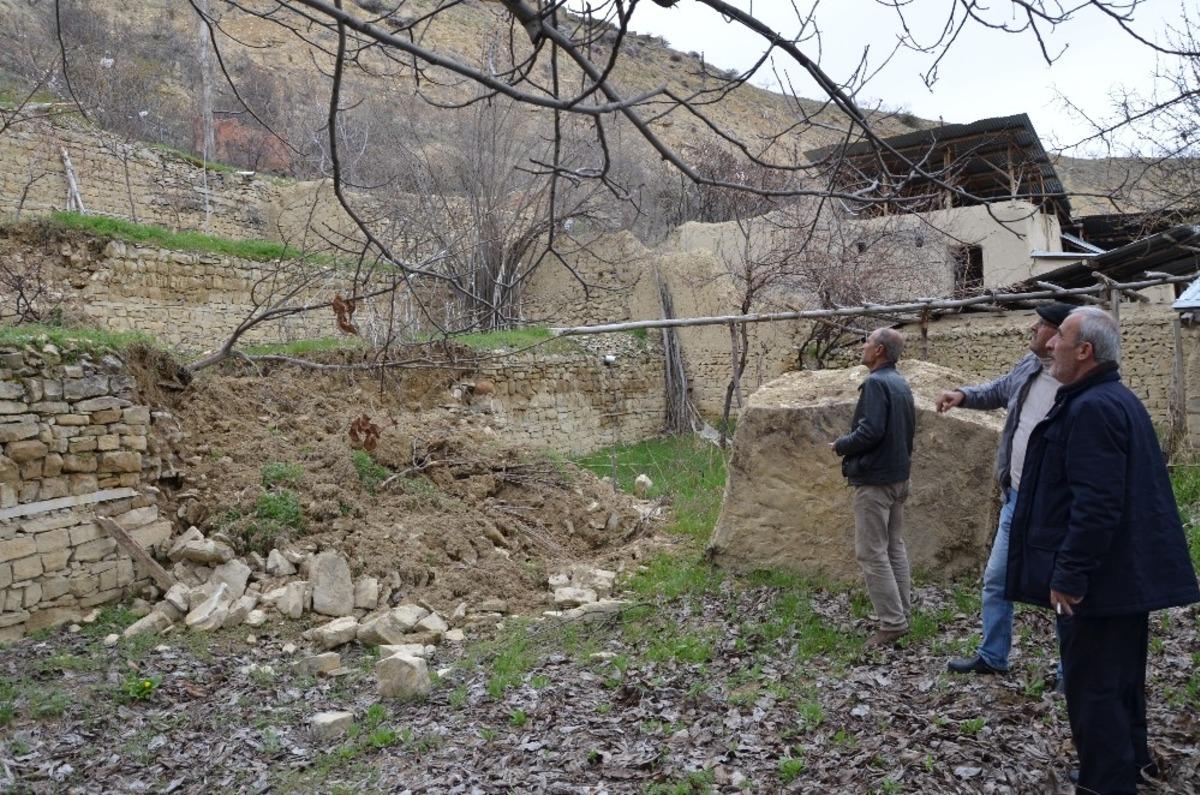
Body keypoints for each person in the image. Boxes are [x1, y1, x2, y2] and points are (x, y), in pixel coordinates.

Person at [1007, 306, 1199, 794]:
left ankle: (1106, 781)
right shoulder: (1114, 397)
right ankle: (1131, 761)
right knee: (1120, 678)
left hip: (1097, 582)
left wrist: (1069, 575)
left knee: (1092, 686)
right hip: (1121, 578)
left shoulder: (1092, 407)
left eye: (1061, 339)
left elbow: (1096, 505)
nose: (1050, 345)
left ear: (1084, 351)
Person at [935, 302, 1074, 676]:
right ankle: (993, 656)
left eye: (1042, 324)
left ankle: (1071, 671)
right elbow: (1000, 390)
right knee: (997, 579)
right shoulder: (1029, 366)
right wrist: (963, 395)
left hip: (1056, 507)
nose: (1033, 327)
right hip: (1016, 500)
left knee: (1064, 587)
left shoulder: (1076, 382)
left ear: (1061, 335)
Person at [832, 327, 916, 647]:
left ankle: (892, 623)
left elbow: (870, 432)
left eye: (867, 342)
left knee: (871, 552)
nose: (863, 347)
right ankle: (901, 611)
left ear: (879, 350)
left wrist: (840, 444)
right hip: (898, 478)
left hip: (876, 481)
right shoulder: (900, 383)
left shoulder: (877, 384)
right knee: (894, 546)